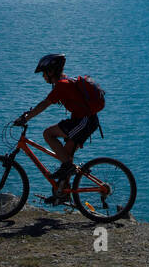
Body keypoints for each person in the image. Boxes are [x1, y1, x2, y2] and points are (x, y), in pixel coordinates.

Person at [13, 53, 100, 203]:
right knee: (65, 155)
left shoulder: (62, 85)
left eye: (44, 74)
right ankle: (62, 193)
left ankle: (68, 169)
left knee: (48, 134)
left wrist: (26, 119)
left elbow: (45, 104)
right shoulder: (63, 83)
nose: (43, 77)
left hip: (83, 122)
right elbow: (45, 103)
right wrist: (29, 114)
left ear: (51, 71)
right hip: (82, 121)